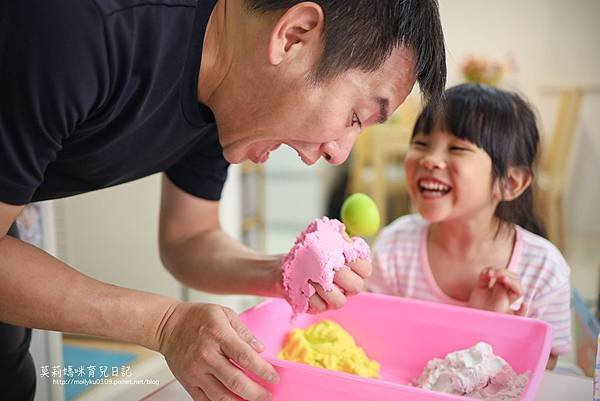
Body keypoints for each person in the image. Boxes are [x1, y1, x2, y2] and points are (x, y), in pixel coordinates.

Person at [0, 0, 446, 400]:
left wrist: (285, 274)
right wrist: (165, 325)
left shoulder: (228, 102)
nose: (339, 152)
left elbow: (189, 238)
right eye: (355, 116)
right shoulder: (78, 26)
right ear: (293, 36)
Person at [367, 84, 572, 371]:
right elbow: (373, 340)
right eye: (422, 144)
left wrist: (495, 330)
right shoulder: (395, 246)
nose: (429, 159)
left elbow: (542, 373)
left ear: (509, 183)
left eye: (457, 148)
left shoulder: (544, 271)